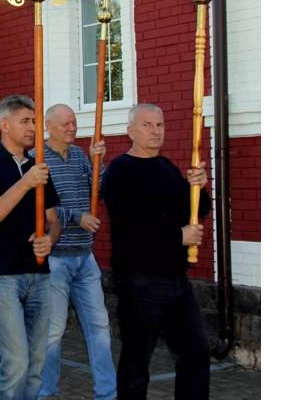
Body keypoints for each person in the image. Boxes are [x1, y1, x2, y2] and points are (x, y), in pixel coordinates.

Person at [102, 103, 211, 400]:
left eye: (159, 125)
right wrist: (179, 235)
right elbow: (130, 228)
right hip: (139, 280)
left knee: (196, 352)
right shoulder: (119, 171)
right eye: (147, 125)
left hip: (176, 280)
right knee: (137, 362)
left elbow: (197, 210)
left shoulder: (166, 167)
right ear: (130, 131)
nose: (155, 131)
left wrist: (199, 187)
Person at [0, 94, 62, 399]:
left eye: (35, 121)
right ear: (4, 125)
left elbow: (53, 221)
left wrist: (49, 238)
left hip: (40, 275)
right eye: (25, 121)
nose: (33, 127)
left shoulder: (38, 167)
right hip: (2, 276)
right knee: (15, 363)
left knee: (36, 365)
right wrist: (25, 183)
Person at [33, 105, 116, 400]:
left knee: (99, 326)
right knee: (53, 330)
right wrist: (77, 216)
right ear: (48, 126)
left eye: (74, 122)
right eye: (65, 123)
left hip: (85, 256)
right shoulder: (37, 159)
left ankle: (107, 393)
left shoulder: (81, 155)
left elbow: (101, 190)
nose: (72, 128)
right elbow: (38, 205)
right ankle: (45, 391)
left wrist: (99, 162)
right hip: (55, 257)